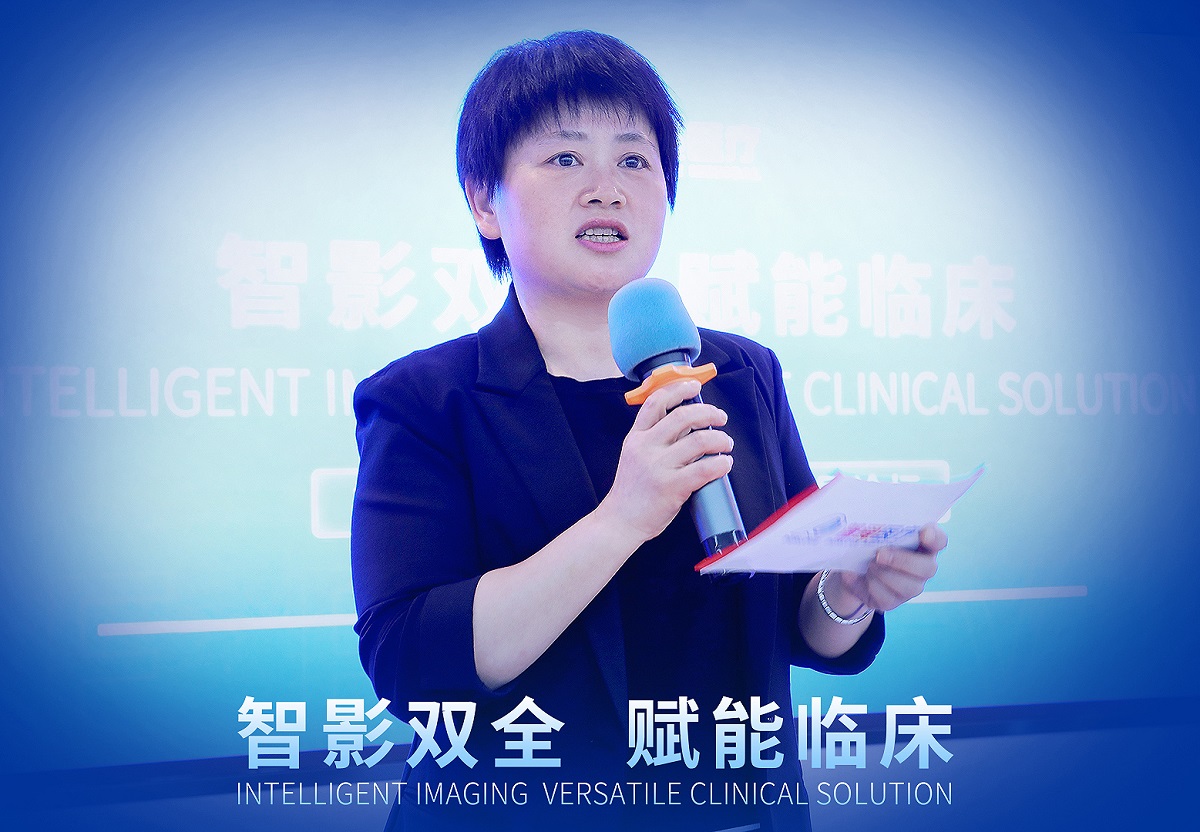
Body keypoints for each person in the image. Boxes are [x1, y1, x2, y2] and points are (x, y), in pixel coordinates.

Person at [351, 30, 947, 832]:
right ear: (484, 201)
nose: (606, 190)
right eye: (565, 158)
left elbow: (799, 624)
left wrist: (845, 593)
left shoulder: (740, 373)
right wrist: (622, 519)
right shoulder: (425, 399)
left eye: (634, 160)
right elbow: (411, 663)